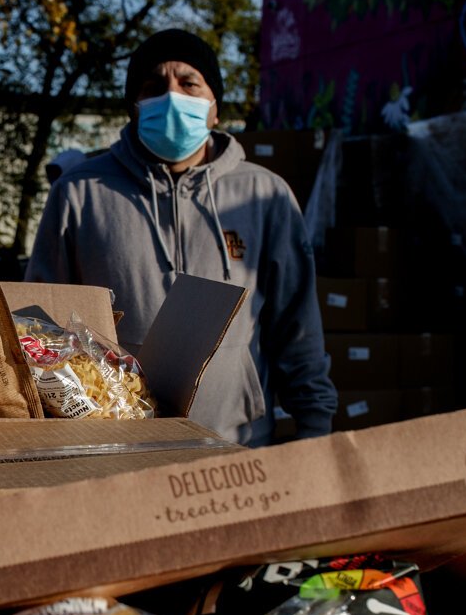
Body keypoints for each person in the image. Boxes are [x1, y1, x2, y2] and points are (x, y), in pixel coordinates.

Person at [26, 28, 336, 446]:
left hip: (233, 442)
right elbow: (38, 323)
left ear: (214, 109)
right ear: (134, 108)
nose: (172, 95)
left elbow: (296, 324)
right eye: (154, 86)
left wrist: (315, 425)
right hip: (111, 448)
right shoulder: (81, 192)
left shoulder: (264, 195)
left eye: (189, 82)